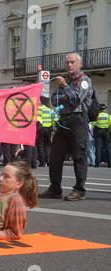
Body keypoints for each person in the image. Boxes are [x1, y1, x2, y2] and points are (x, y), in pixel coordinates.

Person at [40, 53, 93, 201]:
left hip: (78, 120)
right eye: (67, 62)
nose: (69, 65)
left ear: (80, 64)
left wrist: (64, 87)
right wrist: (64, 92)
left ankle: (79, 190)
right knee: (55, 156)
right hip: (63, 121)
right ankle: (55, 188)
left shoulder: (84, 80)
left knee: (79, 156)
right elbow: (54, 100)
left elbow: (76, 100)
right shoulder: (66, 81)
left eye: (72, 62)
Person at [36, 97, 55, 167]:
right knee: (48, 144)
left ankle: (42, 162)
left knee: (40, 145)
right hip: (49, 128)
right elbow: (55, 118)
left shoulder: (40, 109)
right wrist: (52, 124)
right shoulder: (50, 110)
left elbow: (37, 118)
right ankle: (49, 160)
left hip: (41, 128)